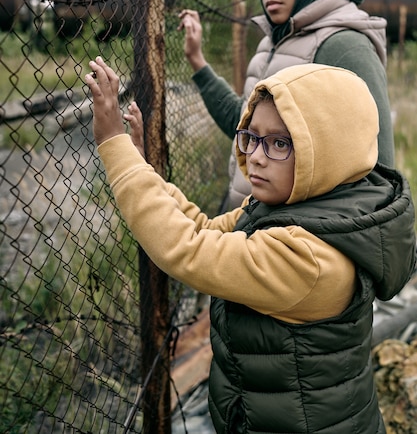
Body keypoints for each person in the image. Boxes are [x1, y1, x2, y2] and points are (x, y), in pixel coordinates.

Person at [85, 56, 415, 434]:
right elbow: (204, 229)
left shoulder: (308, 256)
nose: (255, 156)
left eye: (279, 143)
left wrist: (113, 146)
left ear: (328, 151)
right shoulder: (308, 205)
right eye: (252, 136)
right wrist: (141, 167)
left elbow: (188, 249)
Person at [178, 0, 395, 209]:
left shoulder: (343, 46)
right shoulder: (271, 42)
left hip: (287, 239)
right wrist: (197, 60)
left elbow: (377, 172)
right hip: (247, 221)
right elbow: (244, 123)